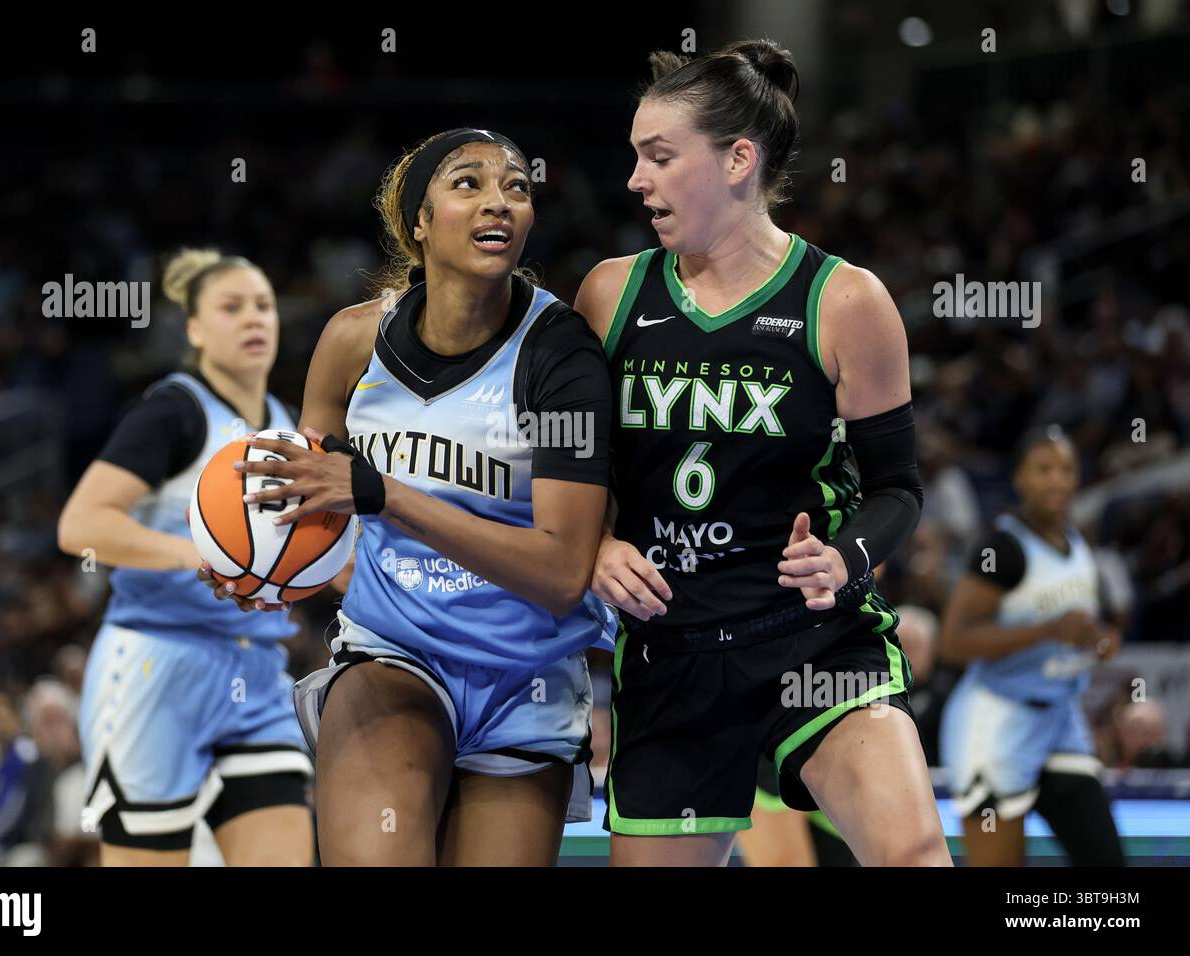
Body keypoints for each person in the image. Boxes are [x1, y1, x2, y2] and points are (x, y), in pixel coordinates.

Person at [576, 38, 949, 866]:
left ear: (739, 159)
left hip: (810, 640)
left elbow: (899, 487)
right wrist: (595, 545)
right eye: (636, 156)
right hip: (671, 652)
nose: (637, 178)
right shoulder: (610, 293)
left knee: (914, 854)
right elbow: (577, 473)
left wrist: (844, 557)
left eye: (660, 156)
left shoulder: (846, 300)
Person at [221, 128, 614, 865]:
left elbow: (563, 575)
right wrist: (268, 568)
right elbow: (319, 513)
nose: (500, 200)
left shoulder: (562, 357)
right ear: (419, 223)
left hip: (524, 678)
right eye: (468, 184)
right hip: (397, 653)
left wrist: (384, 494)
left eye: (519, 187)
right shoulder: (351, 344)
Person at [58, 250, 313, 866]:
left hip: (254, 671)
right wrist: (206, 554)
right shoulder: (172, 409)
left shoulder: (287, 426)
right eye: (231, 307)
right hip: (155, 666)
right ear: (194, 330)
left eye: (263, 305)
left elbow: (316, 557)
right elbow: (80, 526)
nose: (254, 318)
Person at [940, 426, 1125, 866]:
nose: (1056, 480)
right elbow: (953, 642)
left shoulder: (1079, 541)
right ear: (1019, 478)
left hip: (1060, 721)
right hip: (995, 724)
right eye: (1043, 469)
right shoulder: (1001, 547)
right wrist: (1045, 631)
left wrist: (1097, 639)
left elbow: (1073, 627)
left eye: (1065, 469)